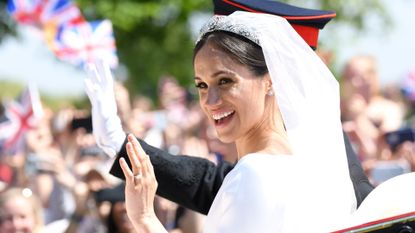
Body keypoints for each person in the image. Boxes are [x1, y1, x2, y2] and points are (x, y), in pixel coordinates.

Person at [84, 1, 373, 218]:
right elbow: (213, 183)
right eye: (201, 85)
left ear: (272, 78)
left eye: (226, 80)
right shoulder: (282, 160)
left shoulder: (316, 153)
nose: (210, 101)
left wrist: (145, 219)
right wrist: (119, 143)